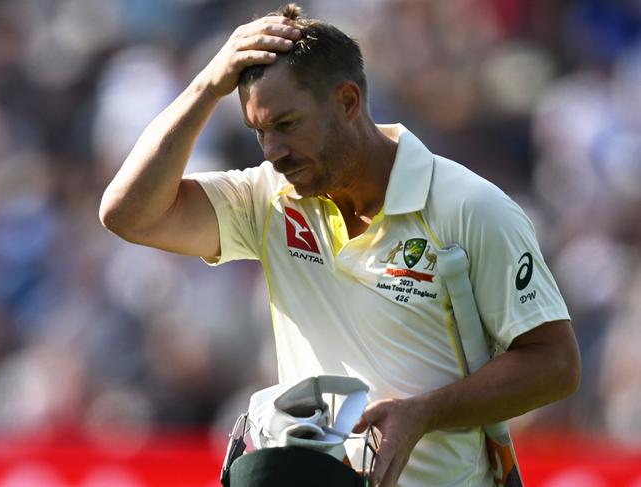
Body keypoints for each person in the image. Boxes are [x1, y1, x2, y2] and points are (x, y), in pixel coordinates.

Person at [99, 4, 581, 486]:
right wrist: (206, 87)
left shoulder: (469, 207)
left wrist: (424, 414)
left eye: (286, 125)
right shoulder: (267, 197)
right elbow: (127, 214)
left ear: (348, 102)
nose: (272, 152)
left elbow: (555, 363)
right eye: (259, 131)